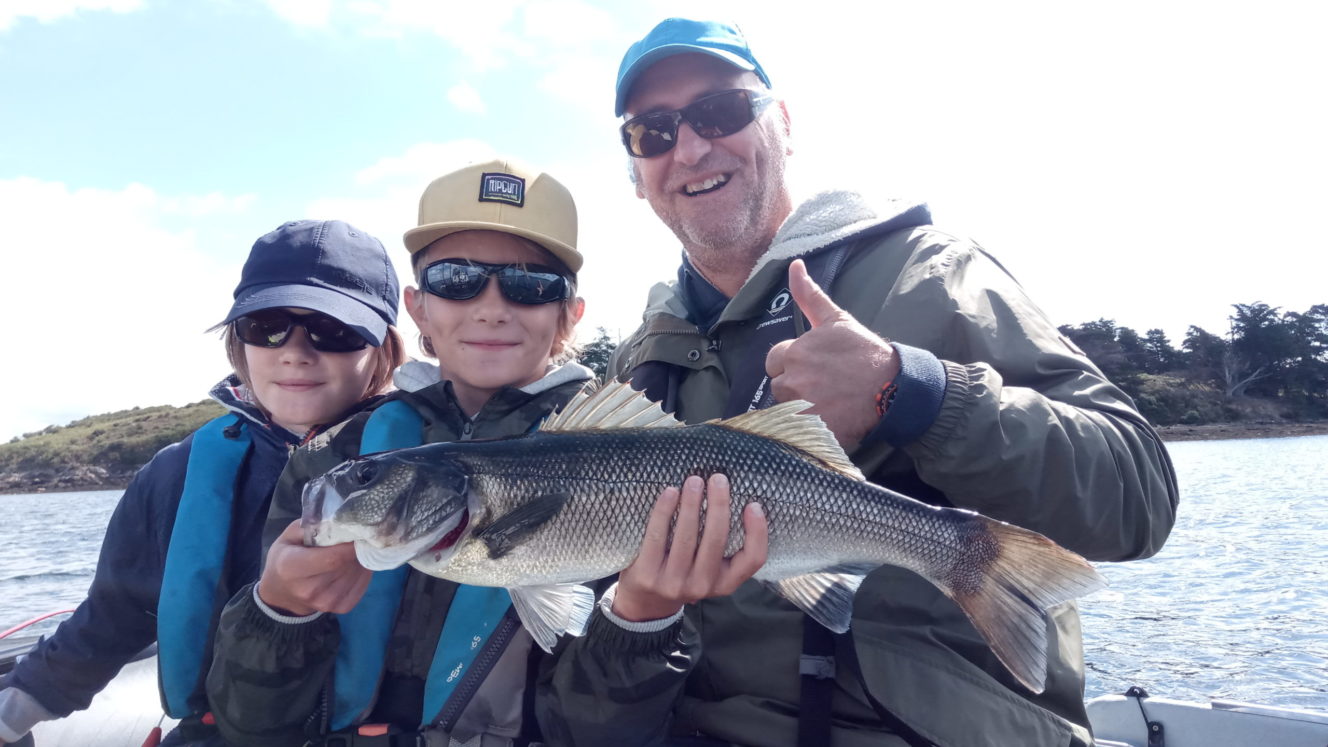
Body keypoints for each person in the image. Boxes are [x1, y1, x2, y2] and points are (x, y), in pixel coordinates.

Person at [538, 18, 1180, 747]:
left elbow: (1140, 494)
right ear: (635, 171)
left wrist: (916, 393)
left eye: (720, 110)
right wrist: (637, 616)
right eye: (651, 132)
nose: (688, 147)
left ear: (781, 123)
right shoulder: (635, 367)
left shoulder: (928, 273)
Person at [207, 158, 648, 746]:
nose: (492, 307)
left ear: (570, 313)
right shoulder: (332, 461)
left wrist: (647, 616)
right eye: (456, 280)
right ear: (417, 307)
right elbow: (252, 727)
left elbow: (611, 733)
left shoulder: (634, 452)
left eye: (530, 286)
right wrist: (278, 612)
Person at [0, 219, 405, 746]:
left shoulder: (434, 464)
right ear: (238, 339)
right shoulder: (176, 473)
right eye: (268, 325)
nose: (296, 351)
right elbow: (111, 618)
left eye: (335, 330)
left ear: (383, 347)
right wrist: (13, 715)